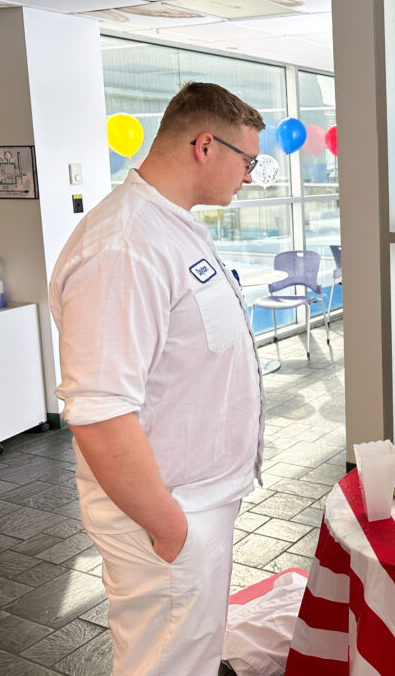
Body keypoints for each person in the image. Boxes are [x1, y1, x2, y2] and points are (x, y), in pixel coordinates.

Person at [50, 82, 266, 676]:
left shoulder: (171, 226)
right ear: (205, 146)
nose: (249, 177)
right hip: (167, 515)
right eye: (247, 161)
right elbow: (99, 413)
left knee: (191, 655)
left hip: (198, 502)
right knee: (165, 661)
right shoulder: (124, 246)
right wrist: (171, 529)